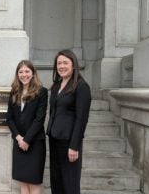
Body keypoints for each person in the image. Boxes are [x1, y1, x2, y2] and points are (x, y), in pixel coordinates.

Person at [46, 49, 91, 194]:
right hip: (54, 138)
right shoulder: (56, 86)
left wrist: (74, 146)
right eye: (59, 63)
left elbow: (81, 119)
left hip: (68, 142)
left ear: (73, 65)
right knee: (56, 181)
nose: (62, 66)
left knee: (69, 183)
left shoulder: (81, 86)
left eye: (66, 63)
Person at [6, 60, 48, 194]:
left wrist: (27, 140)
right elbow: (9, 118)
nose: (24, 74)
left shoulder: (42, 92)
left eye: (27, 71)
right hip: (19, 142)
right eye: (21, 72)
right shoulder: (14, 92)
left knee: (34, 181)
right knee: (23, 181)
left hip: (35, 143)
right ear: (17, 74)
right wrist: (18, 138)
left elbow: (39, 119)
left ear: (33, 73)